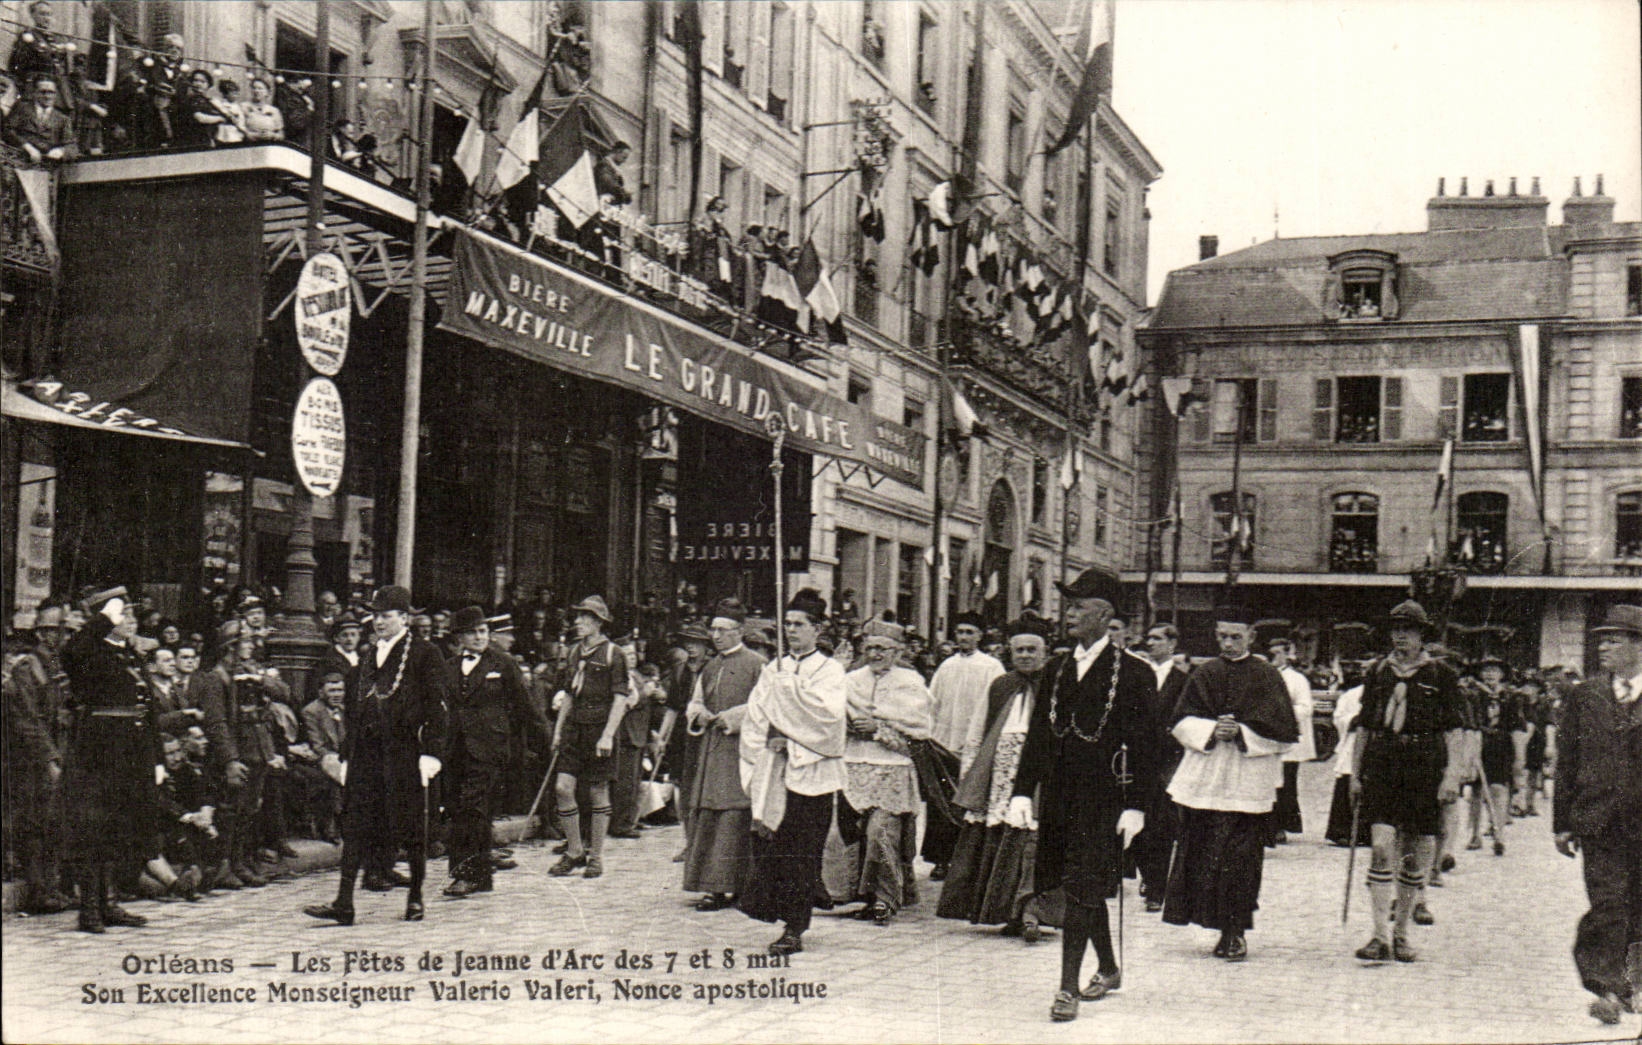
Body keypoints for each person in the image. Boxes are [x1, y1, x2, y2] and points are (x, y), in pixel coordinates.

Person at [1008, 569, 1158, 1022]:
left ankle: (1066, 988)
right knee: (1077, 885)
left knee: (1082, 887)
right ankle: (1109, 968)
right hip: (1058, 796)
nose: (1068, 613)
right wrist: (1021, 792)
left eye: (1078, 606)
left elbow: (1150, 745)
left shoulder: (1134, 673)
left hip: (1106, 799)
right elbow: (1038, 735)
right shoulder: (1055, 667)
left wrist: (1138, 805)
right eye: (1068, 605)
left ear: (1104, 614)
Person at [305, 585, 449, 925]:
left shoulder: (425, 654)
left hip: (404, 751)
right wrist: (345, 755)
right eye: (376, 617)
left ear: (404, 617)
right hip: (367, 754)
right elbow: (354, 713)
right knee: (355, 825)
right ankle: (343, 902)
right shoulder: (368, 658)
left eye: (386, 616)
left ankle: (415, 897)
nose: (379, 623)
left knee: (412, 826)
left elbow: (439, 708)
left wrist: (432, 753)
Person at [1162, 604, 1297, 964]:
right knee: (1204, 857)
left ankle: (1235, 930)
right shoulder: (1204, 673)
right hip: (1206, 779)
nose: (1228, 643)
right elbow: (1178, 721)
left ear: (1252, 637)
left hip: (1247, 782)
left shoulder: (1268, 676)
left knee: (1240, 860)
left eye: (1236, 637)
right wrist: (1208, 730)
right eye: (1222, 636)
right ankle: (1210, 922)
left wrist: (1243, 733)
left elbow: (1285, 735)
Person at [1348, 600, 1466, 963]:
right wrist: (1355, 774)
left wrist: (1452, 775)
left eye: (1409, 630)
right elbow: (1365, 726)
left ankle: (1401, 934)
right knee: (1382, 847)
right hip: (1382, 764)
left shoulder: (1441, 675)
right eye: (1396, 629)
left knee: (1414, 856)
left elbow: (1455, 729)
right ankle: (1378, 935)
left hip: (1423, 767)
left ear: (1422, 636)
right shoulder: (1378, 672)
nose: (1401, 636)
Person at [737, 589, 848, 957]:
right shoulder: (774, 669)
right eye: (788, 624)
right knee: (775, 847)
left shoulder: (830, 671)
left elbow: (827, 721)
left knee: (802, 850)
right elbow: (757, 714)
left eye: (800, 624)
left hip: (812, 774)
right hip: (777, 772)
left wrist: (791, 731)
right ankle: (783, 908)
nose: (792, 630)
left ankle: (795, 927)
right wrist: (767, 740)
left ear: (818, 629)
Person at [938, 616, 1058, 938]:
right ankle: (1008, 911)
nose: (1026, 656)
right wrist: (970, 777)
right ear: (1010, 653)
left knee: (1033, 842)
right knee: (1002, 842)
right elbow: (978, 731)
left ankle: (1032, 911)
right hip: (1000, 775)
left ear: (1045, 652)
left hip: (1041, 776)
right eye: (1019, 650)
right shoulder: (1001, 685)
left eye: (1032, 650)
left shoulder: (1057, 684)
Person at [1553, 604, 1642, 1026]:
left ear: (1638, 646)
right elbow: (1566, 761)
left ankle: (1633, 985)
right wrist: (1563, 822)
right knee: (1607, 904)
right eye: (1601, 639)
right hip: (1599, 819)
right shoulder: (1584, 695)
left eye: (1614, 639)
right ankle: (1605, 988)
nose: (1603, 646)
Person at [59, 586, 160, 933]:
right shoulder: (91, 650)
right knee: (93, 828)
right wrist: (102, 618)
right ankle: (89, 909)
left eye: (130, 614)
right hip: (99, 750)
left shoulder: (129, 654)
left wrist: (156, 758)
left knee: (118, 828)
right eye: (124, 615)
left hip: (131, 752)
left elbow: (149, 711)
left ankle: (110, 903)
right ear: (106, 620)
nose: (131, 621)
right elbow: (72, 651)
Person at [442, 606, 548, 897]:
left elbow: (526, 707)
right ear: (460, 637)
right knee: (460, 808)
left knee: (472, 808)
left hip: (490, 749)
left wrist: (548, 740)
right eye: (472, 632)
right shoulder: (448, 667)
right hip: (455, 750)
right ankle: (480, 876)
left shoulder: (503, 664)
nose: (478, 637)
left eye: (482, 631)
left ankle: (467, 875)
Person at [837, 619, 933, 925]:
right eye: (870, 648)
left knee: (882, 833)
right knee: (855, 834)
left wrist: (878, 728)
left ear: (897, 652)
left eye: (883, 648)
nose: (875, 654)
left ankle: (885, 898)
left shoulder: (911, 682)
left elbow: (918, 733)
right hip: (854, 764)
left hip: (893, 769)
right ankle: (860, 895)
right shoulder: (852, 679)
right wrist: (850, 725)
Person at [682, 601, 764, 909]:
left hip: (741, 749)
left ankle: (737, 885)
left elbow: (762, 705)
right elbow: (696, 701)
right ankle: (712, 886)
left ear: (739, 632)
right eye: (713, 629)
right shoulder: (710, 665)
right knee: (710, 812)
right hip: (712, 748)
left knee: (735, 812)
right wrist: (700, 714)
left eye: (722, 629)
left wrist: (730, 718)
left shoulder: (757, 663)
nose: (715, 635)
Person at [546, 595, 629, 879]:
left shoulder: (613, 654)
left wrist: (607, 735)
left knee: (597, 791)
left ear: (598, 623)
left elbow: (620, 698)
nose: (578, 622)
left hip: (599, 729)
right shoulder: (572, 652)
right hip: (574, 730)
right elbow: (568, 695)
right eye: (578, 617)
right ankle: (574, 851)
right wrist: (558, 731)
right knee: (562, 788)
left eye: (585, 618)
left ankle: (596, 856)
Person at [922, 611, 1005, 880]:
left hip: (973, 743)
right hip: (944, 741)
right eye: (960, 632)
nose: (964, 638)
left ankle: (967, 861)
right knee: (941, 802)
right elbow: (932, 703)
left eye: (970, 632)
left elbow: (995, 705)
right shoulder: (947, 666)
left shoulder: (991, 667)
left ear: (980, 636)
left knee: (969, 802)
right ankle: (940, 859)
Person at [193, 621, 276, 889]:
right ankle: (223, 865)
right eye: (246, 642)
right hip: (234, 752)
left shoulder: (250, 674)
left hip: (256, 749)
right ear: (230, 647)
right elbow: (216, 723)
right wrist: (230, 759)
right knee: (229, 810)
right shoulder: (215, 678)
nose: (251, 646)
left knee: (248, 810)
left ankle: (240, 861)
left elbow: (284, 692)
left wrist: (260, 680)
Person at [4, 601, 73, 913]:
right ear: (44, 633)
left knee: (54, 822)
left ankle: (52, 886)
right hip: (33, 760)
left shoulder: (59, 667)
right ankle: (37, 890)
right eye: (59, 631)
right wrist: (49, 757)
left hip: (57, 753)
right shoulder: (27, 668)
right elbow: (26, 721)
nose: (63, 637)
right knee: (33, 823)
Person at [1133, 622, 1191, 911]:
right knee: (1136, 823)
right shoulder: (1135, 675)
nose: (1150, 643)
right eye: (1148, 638)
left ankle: (1156, 889)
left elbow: (1186, 717)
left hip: (1168, 760)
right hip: (1136, 758)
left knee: (1162, 824)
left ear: (1172, 643)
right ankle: (1147, 874)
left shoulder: (1183, 680)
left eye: (1157, 639)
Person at [1466, 656, 1519, 854]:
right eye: (1486, 670)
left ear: (1501, 675)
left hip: (1501, 747)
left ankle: (1499, 832)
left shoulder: (1511, 696)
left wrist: (1518, 756)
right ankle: (1474, 834)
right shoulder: (1473, 694)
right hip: (1478, 743)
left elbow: (1516, 725)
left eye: (1494, 671)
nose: (1490, 674)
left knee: (1499, 788)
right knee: (1477, 791)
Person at [1267, 636, 1316, 844]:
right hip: (1267, 737)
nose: (1274, 657)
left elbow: (1305, 708)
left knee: (1286, 785)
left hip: (1288, 740)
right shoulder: (1263, 675)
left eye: (1278, 653)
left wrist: (1279, 713)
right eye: (1271, 653)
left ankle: (1282, 826)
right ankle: (1267, 825)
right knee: (1268, 782)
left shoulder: (1297, 680)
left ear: (1288, 655)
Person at [299, 670, 347, 843]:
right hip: (319, 758)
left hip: (342, 757)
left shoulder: (344, 710)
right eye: (332, 691)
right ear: (321, 692)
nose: (337, 695)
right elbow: (317, 745)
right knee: (336, 771)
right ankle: (332, 825)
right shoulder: (311, 711)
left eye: (340, 690)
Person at [4, 75, 78, 164]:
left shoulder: (63, 119)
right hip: (18, 160)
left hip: (47, 166)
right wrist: (27, 147)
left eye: (51, 92)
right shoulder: (22, 109)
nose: (47, 96)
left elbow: (72, 146)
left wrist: (61, 151)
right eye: (43, 92)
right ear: (34, 93)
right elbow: (7, 130)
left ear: (56, 94)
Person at [240, 77, 283, 141]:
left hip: (269, 145)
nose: (256, 91)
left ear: (267, 92)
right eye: (254, 88)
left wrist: (272, 135)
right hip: (249, 145)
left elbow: (281, 134)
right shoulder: (243, 107)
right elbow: (238, 128)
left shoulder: (274, 111)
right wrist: (249, 134)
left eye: (260, 88)